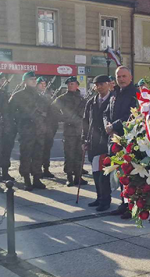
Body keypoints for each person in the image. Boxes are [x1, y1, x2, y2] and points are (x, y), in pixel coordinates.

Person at [7, 71, 50, 191]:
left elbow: (47, 111)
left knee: (38, 154)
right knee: (26, 154)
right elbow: (10, 112)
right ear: (25, 81)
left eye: (35, 79)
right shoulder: (18, 95)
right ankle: (26, 179)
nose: (34, 81)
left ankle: (37, 178)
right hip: (26, 129)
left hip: (39, 129)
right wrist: (22, 118)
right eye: (31, 79)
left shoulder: (40, 95)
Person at [105, 66, 138, 218]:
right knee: (120, 174)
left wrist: (114, 126)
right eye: (119, 77)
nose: (121, 79)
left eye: (124, 76)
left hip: (129, 139)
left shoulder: (135, 93)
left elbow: (132, 115)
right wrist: (107, 124)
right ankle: (124, 203)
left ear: (130, 77)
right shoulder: (114, 93)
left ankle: (132, 206)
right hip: (114, 138)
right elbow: (106, 112)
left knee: (130, 174)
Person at [83, 75, 113, 211]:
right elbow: (85, 122)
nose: (99, 87)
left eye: (102, 84)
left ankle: (106, 200)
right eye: (97, 85)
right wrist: (84, 139)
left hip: (107, 141)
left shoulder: (113, 99)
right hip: (93, 141)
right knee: (96, 172)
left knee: (105, 173)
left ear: (108, 84)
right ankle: (99, 197)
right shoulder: (91, 102)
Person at [53, 77, 88, 187]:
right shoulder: (62, 98)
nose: (70, 86)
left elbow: (87, 114)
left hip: (80, 130)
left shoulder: (82, 99)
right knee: (69, 153)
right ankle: (69, 177)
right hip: (69, 130)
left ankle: (78, 176)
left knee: (79, 154)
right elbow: (53, 109)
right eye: (68, 84)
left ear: (77, 85)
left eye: (72, 84)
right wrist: (64, 118)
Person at [0, 73, 18, 182]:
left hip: (8, 128)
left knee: (7, 152)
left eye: (5, 81)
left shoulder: (6, 95)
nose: (3, 83)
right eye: (1, 81)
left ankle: (5, 172)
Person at [37, 77, 59, 179]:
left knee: (47, 149)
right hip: (38, 128)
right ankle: (37, 170)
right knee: (38, 150)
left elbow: (54, 112)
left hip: (49, 127)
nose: (43, 86)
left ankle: (46, 169)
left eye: (44, 84)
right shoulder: (35, 97)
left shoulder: (48, 98)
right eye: (41, 84)